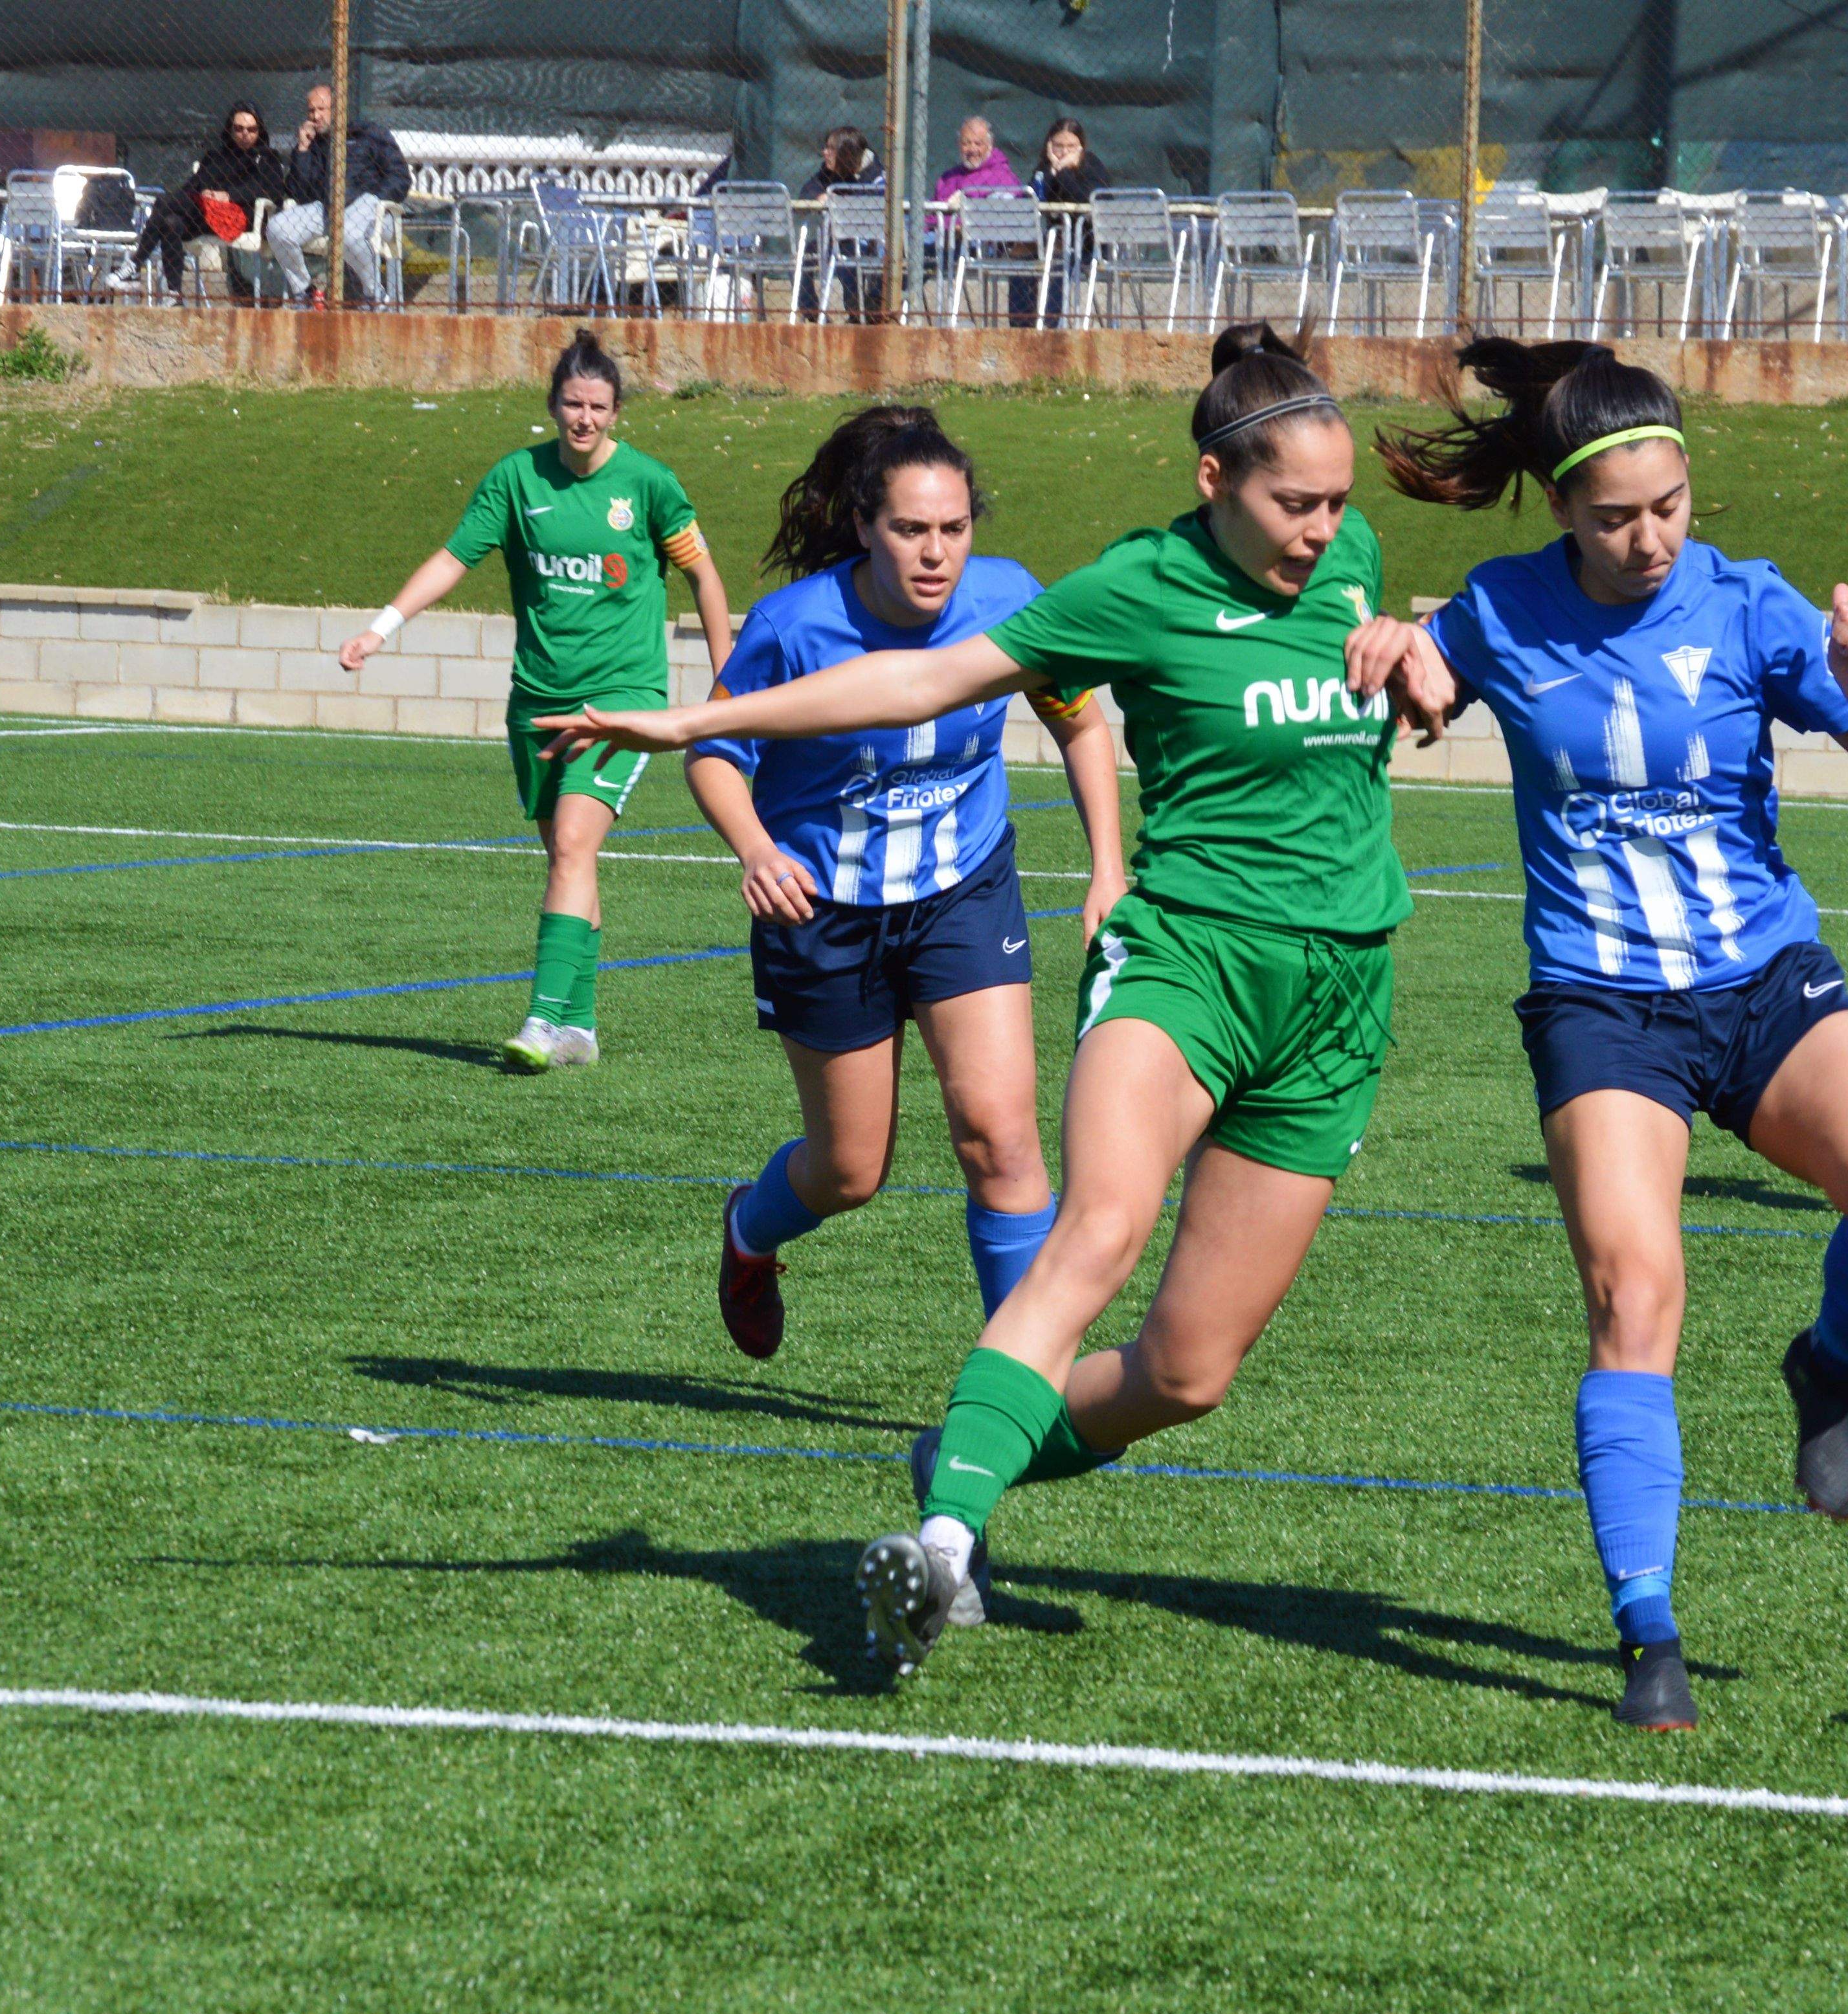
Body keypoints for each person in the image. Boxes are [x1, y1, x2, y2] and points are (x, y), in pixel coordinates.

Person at [533, 326, 1410, 1671]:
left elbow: (1410, 658)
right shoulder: (1126, 588)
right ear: (1214, 481)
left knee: (1183, 1370)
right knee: (949, 1187)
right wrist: (689, 731)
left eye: (1336, 502)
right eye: (1295, 502)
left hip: (1322, 986)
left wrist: (1422, 653)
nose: (1323, 528)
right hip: (1126, 952)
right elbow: (925, 678)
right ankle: (948, 1542)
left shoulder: (1346, 569)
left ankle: (963, 1454)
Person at [1351, 339, 1848, 1731]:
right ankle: (1648, 1632)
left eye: (1668, 507)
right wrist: (1395, 661)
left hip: (1761, 980)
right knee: (1634, 1297)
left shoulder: (1748, 604)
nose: (1646, 540)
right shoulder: (1501, 607)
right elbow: (1419, 690)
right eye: (1614, 517)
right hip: (1599, 1004)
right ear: (1561, 511)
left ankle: (1827, 1363)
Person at [690, 406, 1127, 1357]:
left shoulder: (1011, 600)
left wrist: (1108, 865)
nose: (936, 554)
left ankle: (1026, 1384)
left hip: (962, 893)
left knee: (1001, 1141)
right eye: (910, 530)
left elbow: (1081, 724)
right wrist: (757, 848)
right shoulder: (793, 626)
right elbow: (713, 752)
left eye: (954, 529)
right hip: (824, 911)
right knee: (849, 1171)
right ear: (863, 526)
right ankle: (748, 1232)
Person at [340, 329, 734, 1071]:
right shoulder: (517, 480)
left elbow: (705, 580)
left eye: (599, 406)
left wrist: (727, 686)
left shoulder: (647, 485)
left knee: (575, 846)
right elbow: (455, 559)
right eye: (572, 404)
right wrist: (381, 628)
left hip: (621, 698)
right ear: (553, 405)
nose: (584, 418)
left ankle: (541, 1020)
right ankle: (581, 1026)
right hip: (537, 699)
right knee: (565, 854)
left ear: (617, 413)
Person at [117, 103, 283, 298]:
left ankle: (136, 263)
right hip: (207, 216)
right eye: (239, 129)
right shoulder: (216, 157)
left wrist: (227, 195)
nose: (245, 134)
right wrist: (205, 193)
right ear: (231, 130)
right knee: (171, 222)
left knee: (164, 203)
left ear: (260, 130)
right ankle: (174, 294)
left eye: (252, 129)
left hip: (239, 219)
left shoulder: (267, 158)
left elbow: (271, 190)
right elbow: (193, 186)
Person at [268, 84, 412, 307]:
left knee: (347, 231)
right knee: (277, 227)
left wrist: (374, 199)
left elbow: (401, 177)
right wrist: (303, 150)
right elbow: (299, 192)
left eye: (322, 109)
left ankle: (374, 296)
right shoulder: (316, 143)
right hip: (328, 210)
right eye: (311, 111)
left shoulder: (370, 134)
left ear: (339, 108)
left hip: (375, 212)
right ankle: (304, 294)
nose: (315, 116)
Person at [934, 116, 1033, 326]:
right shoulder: (948, 178)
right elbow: (931, 216)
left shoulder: (1003, 176)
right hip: (940, 238)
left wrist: (964, 212)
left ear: (989, 146)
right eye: (966, 143)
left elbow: (1001, 215)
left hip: (981, 246)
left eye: (978, 143)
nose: (972, 149)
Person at [1030, 118, 1111, 328]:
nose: (1064, 152)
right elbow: (1034, 198)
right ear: (1049, 146)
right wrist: (1052, 171)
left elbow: (1087, 200)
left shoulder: (1092, 166)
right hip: (1055, 240)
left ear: (1081, 147)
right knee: (1024, 255)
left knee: (1059, 259)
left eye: (1071, 147)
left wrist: (1065, 172)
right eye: (1058, 146)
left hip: (1090, 244)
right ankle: (1021, 324)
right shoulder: (1045, 168)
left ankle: (1053, 326)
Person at [799, 128, 881, 322]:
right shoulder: (829, 171)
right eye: (825, 148)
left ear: (847, 154)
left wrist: (838, 201)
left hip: (868, 242)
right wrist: (819, 197)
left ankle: (861, 310)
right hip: (838, 239)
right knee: (805, 255)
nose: (825, 153)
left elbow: (872, 208)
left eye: (831, 149)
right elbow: (806, 194)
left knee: (847, 251)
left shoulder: (875, 174)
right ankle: (813, 313)